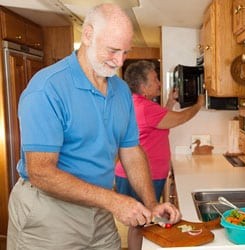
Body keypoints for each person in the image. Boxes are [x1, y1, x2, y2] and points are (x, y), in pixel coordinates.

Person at [7, 4, 180, 250]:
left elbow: (131, 151)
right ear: (87, 35)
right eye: (112, 50)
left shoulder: (120, 91)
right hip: (48, 214)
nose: (119, 60)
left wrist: (151, 204)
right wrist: (115, 202)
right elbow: (41, 172)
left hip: (98, 209)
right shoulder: (47, 88)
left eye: (125, 52)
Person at [114, 60, 204, 250]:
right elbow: (179, 119)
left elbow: (160, 119)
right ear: (144, 87)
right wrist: (199, 105)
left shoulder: (138, 104)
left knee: (141, 223)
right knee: (142, 224)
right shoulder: (146, 108)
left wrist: (171, 102)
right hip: (142, 177)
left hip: (132, 175)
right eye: (155, 79)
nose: (160, 83)